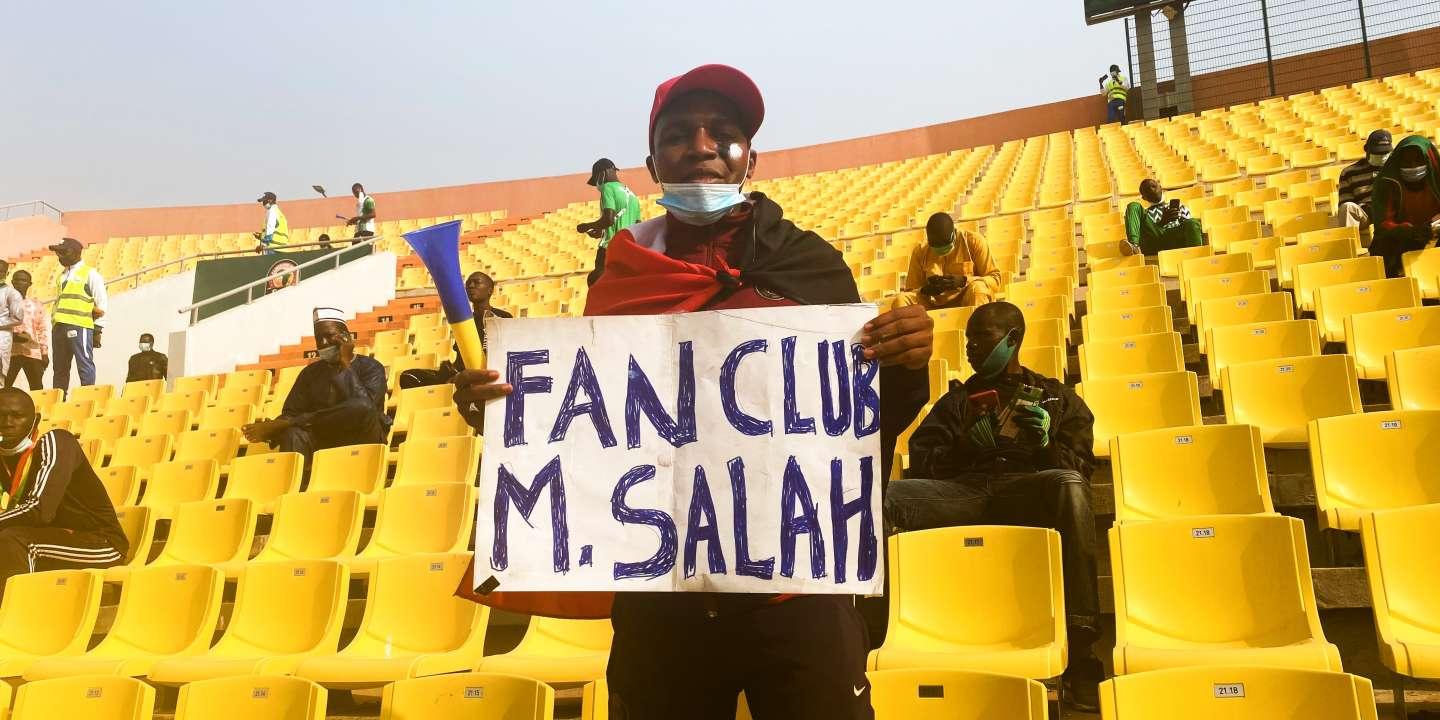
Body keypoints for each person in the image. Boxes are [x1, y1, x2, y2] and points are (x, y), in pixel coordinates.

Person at [453, 64, 932, 720]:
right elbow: (594, 440)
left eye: (723, 133)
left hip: (797, 594)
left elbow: (859, 430)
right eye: (680, 134)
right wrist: (504, 413)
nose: (702, 146)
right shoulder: (618, 278)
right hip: (662, 603)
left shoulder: (811, 266)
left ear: (750, 158)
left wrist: (904, 364)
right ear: (654, 164)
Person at [885, 300, 1102, 710]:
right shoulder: (955, 403)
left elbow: (1081, 468)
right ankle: (882, 630)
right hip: (964, 495)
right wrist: (963, 448)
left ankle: (1082, 651)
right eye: (967, 340)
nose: (970, 348)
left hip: (1027, 492)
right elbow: (923, 462)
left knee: (1069, 485)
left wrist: (1045, 448)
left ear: (1012, 339)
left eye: (981, 338)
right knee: (887, 498)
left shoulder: (1057, 399)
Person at [0, 388, 127, 598]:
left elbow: (39, 510)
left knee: (14, 540)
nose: (7, 422)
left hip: (100, 543)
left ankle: (16, 617)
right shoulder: (3, 458)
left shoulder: (56, 442)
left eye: (16, 415)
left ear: (35, 419)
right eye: (1, 415)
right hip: (49, 539)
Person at [241, 308, 388, 462]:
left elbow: (366, 409)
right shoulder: (310, 373)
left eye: (329, 336)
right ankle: (293, 483)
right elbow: (291, 411)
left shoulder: (371, 367)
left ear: (346, 338)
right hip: (324, 438)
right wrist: (277, 425)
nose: (323, 343)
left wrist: (345, 365)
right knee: (293, 434)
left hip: (362, 437)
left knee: (362, 405)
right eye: (319, 339)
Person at [398, 271, 512, 389]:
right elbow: (459, 359)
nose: (471, 286)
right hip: (460, 373)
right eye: (468, 284)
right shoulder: (463, 321)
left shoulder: (502, 317)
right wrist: (450, 370)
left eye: (477, 282)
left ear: (490, 290)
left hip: (488, 372)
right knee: (408, 376)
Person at [896, 212, 1001, 309]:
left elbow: (994, 279)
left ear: (954, 234)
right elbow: (911, 290)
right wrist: (925, 290)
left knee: (978, 289)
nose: (941, 250)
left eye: (944, 245)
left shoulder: (973, 241)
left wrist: (964, 281)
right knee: (902, 299)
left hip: (966, 300)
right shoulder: (920, 251)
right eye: (936, 246)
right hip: (934, 304)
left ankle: (977, 328)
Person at [1369, 135, 1440, 278]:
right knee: (1384, 245)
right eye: (1407, 162)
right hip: (1404, 238)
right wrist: (1414, 231)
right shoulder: (1388, 184)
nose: (1413, 166)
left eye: (1418, 161)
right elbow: (1384, 224)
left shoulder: (1437, 178)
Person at [49, 238, 107, 392]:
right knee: (59, 368)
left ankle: (87, 397)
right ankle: (59, 400)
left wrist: (98, 330)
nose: (60, 256)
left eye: (63, 252)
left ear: (75, 252)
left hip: (79, 326)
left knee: (84, 364)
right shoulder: (61, 276)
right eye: (58, 253)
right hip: (59, 327)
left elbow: (102, 305)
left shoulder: (90, 274)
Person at [576, 158, 643, 286]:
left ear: (603, 174)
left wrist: (586, 226)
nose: (596, 184)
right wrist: (600, 231)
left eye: (596, 180)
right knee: (622, 285)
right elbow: (637, 224)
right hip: (628, 249)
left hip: (610, 247)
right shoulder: (632, 194)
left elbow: (608, 219)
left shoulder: (607, 188)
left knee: (597, 282)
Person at [1124, 179, 1204, 255]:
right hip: (1155, 242)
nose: (1151, 190)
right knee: (1133, 206)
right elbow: (1148, 235)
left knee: (1193, 222)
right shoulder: (1144, 214)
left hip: (1175, 239)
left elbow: (1190, 227)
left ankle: (1196, 257)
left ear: (1161, 188)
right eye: (1147, 190)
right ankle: (1134, 246)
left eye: (1153, 186)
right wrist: (1162, 222)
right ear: (1144, 198)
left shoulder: (1180, 207)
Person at [1337, 129, 1392, 231]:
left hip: (1392, 211)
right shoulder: (1349, 172)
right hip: (1366, 214)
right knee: (1347, 207)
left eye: (1385, 152)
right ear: (1367, 150)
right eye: (1377, 152)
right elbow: (1344, 202)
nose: (1381, 156)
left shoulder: (1397, 167)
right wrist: (1368, 209)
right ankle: (1351, 244)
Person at [6, 271, 47, 390]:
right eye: (17, 280)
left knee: (37, 387)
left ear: (29, 284)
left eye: (23, 280)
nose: (20, 283)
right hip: (10, 353)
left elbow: (41, 330)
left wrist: (44, 353)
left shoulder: (36, 305)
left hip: (32, 352)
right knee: (4, 387)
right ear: (13, 282)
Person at [0, 262, 25, 382]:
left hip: (2, 338)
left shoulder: (12, 293)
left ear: (6, 273)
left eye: (1, 271)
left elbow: (17, 318)